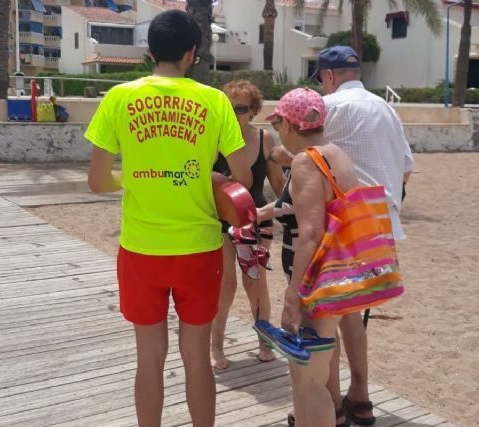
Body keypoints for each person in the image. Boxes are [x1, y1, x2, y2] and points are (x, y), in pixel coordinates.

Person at [85, 10, 252, 427]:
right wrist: (208, 181)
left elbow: (97, 181)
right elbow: (244, 178)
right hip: (199, 249)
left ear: (149, 51)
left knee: (149, 357)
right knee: (196, 355)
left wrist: (131, 179)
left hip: (141, 249)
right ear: (191, 53)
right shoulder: (214, 100)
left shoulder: (119, 98)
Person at [314, 45, 416, 426]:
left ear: (328, 76)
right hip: (381, 226)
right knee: (352, 313)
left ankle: (332, 403)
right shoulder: (386, 108)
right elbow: (406, 170)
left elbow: (310, 162)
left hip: (343, 225)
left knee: (326, 312)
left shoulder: (329, 107)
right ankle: (360, 396)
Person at [257, 88, 359, 427]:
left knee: (308, 382)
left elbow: (311, 232)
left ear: (288, 124)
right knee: (315, 372)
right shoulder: (335, 154)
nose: (278, 133)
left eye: (278, 125)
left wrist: (293, 294)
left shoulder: (305, 161)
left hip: (318, 282)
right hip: (341, 274)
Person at [210, 80, 286, 370]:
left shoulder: (265, 139)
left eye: (240, 109)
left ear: (253, 110)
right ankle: (216, 346)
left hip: (255, 219)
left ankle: (264, 342)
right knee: (225, 286)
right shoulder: (213, 138)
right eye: (228, 108)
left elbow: (278, 184)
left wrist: (295, 212)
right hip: (220, 220)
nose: (233, 114)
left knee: (255, 284)